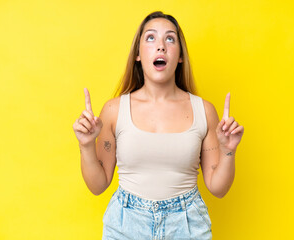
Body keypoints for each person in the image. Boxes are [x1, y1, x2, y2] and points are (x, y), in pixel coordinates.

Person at [73, 11, 244, 240]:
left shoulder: (204, 111)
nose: (161, 46)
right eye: (151, 38)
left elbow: (218, 188)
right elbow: (97, 185)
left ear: (180, 56)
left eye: (170, 39)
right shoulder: (114, 110)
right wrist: (86, 146)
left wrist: (228, 150)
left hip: (187, 226)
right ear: (138, 54)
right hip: (125, 226)